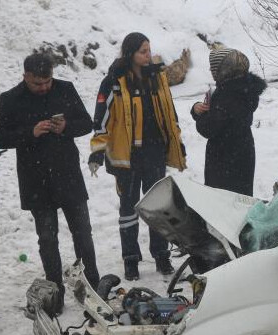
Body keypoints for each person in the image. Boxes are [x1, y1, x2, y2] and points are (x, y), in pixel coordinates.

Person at [0, 53, 100, 314]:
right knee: (47, 238)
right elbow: (0, 137)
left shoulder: (65, 89)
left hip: (68, 175)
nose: (43, 88)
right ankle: (55, 291)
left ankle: (93, 287)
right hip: (35, 180)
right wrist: (30, 133)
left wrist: (65, 127)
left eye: (47, 82)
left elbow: (87, 123)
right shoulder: (10, 99)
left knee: (83, 233)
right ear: (25, 76)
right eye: (37, 83)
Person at [88, 32, 186, 280]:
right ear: (130, 53)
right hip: (127, 157)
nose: (147, 54)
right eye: (143, 50)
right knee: (128, 210)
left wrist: (177, 143)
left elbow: (170, 114)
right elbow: (102, 119)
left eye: (148, 49)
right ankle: (130, 259)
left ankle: (161, 255)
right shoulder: (114, 81)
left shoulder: (158, 77)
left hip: (155, 153)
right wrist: (98, 152)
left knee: (158, 206)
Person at [191, 47, 267, 196]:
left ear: (224, 69)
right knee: (240, 200)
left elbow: (208, 128)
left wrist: (197, 114)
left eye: (213, 67)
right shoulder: (245, 88)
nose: (210, 70)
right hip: (243, 151)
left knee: (221, 203)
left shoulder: (227, 95)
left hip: (224, 157)